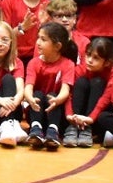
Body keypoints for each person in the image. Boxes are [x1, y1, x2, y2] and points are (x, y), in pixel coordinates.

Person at [22, 21, 76, 149]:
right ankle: (35, 129)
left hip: (56, 112)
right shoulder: (34, 63)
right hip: (37, 109)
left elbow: (65, 90)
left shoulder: (68, 64)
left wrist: (57, 100)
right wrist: (30, 98)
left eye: (43, 39)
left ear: (57, 46)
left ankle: (53, 131)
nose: (38, 43)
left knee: (52, 95)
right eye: (38, 38)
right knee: (38, 94)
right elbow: (28, 86)